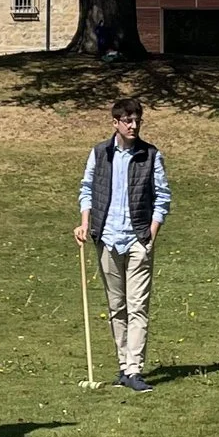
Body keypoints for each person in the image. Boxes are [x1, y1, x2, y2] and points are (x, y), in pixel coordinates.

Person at [76, 94, 170, 391]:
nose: (134, 125)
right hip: (107, 239)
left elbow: (162, 198)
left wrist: (150, 236)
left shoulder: (151, 155)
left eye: (137, 120)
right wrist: (84, 223)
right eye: (128, 121)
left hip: (138, 240)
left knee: (137, 306)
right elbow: (87, 189)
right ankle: (122, 366)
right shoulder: (100, 153)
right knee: (116, 306)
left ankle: (134, 369)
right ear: (115, 122)